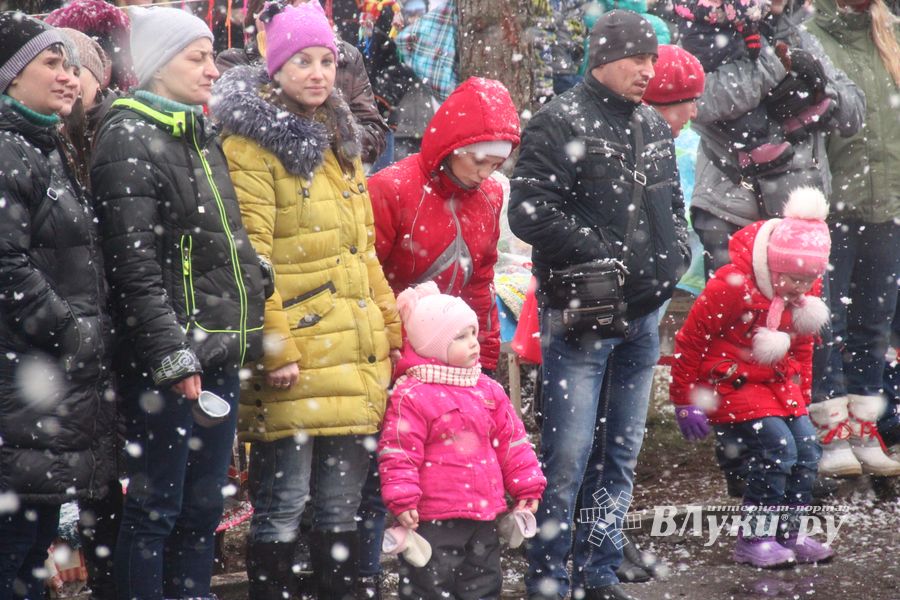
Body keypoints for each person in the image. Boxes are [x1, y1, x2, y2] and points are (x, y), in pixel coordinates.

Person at [209, 2, 401, 598]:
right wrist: (275, 348)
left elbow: (361, 252)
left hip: (352, 348)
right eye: (302, 61)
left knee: (341, 508)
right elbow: (251, 260)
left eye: (326, 60)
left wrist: (389, 332)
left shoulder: (341, 141)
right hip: (296, 354)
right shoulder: (251, 145)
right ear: (276, 67)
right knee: (284, 504)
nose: (317, 73)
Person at [509, 10, 691, 600]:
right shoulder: (557, 119)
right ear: (605, 58)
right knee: (566, 456)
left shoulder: (653, 125)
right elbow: (528, 211)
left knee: (619, 454)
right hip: (582, 317)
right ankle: (548, 577)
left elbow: (674, 201)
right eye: (638, 59)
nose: (647, 71)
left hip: (644, 316)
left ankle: (600, 572)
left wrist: (676, 254)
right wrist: (604, 255)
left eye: (652, 60)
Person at [89, 6, 268, 599]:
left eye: (213, 55)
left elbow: (215, 239)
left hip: (213, 349)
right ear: (159, 64)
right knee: (156, 508)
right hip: (168, 360)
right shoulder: (128, 133)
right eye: (199, 57)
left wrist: (251, 277)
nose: (213, 70)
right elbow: (134, 266)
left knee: (200, 510)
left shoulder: (195, 130)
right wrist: (172, 356)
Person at [0, 12, 113, 600]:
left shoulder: (43, 146)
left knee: (31, 544)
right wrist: (72, 333)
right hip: (23, 383)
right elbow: (7, 265)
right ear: (10, 76)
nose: (69, 77)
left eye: (72, 65)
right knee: (14, 544)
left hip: (44, 384)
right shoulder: (9, 150)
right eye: (52, 63)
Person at [670, 187, 834, 567]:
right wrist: (683, 399)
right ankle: (755, 536)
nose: (800, 289)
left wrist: (802, 398)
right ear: (773, 266)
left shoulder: (804, 290)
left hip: (776, 384)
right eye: (792, 279)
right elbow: (692, 339)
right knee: (777, 448)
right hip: (730, 383)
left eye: (807, 281)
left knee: (807, 447)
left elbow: (803, 348)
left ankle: (789, 531)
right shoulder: (733, 284)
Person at [378, 282, 546, 600]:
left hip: (484, 512)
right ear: (432, 345)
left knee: (483, 581)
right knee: (428, 583)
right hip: (433, 515)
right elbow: (399, 452)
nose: (473, 343)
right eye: (460, 337)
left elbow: (512, 443)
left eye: (473, 333)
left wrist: (527, 486)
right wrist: (403, 499)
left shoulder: (488, 390)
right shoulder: (413, 394)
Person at [688, 0, 864, 278]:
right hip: (731, 213)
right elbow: (700, 100)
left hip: (803, 217)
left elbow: (853, 115)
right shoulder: (709, 29)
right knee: (737, 319)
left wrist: (819, 85)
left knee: (807, 321)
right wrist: (780, 64)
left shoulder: (802, 35)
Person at [804, 0, 900, 477]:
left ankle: (865, 427)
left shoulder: (891, 34)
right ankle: (829, 427)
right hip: (830, 209)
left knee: (873, 323)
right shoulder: (810, 37)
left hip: (889, 208)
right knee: (827, 322)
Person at [369, 76, 520, 375]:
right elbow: (368, 278)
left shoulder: (490, 195)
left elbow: (479, 283)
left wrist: (486, 361)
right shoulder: (392, 189)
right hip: (400, 352)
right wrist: (391, 347)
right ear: (454, 146)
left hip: (459, 352)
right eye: (479, 161)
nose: (484, 174)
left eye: (495, 165)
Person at [215, 0, 389, 165]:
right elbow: (234, 129)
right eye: (278, 8)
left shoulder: (346, 57)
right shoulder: (234, 62)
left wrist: (337, 140)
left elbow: (374, 131)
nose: (318, 75)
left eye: (327, 62)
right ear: (258, 13)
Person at [673, 0, 836, 175]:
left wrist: (813, 86)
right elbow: (699, 100)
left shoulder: (802, 27)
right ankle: (751, 146)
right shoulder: (704, 28)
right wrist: (781, 63)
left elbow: (850, 107)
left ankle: (791, 118)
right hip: (730, 189)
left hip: (802, 186)